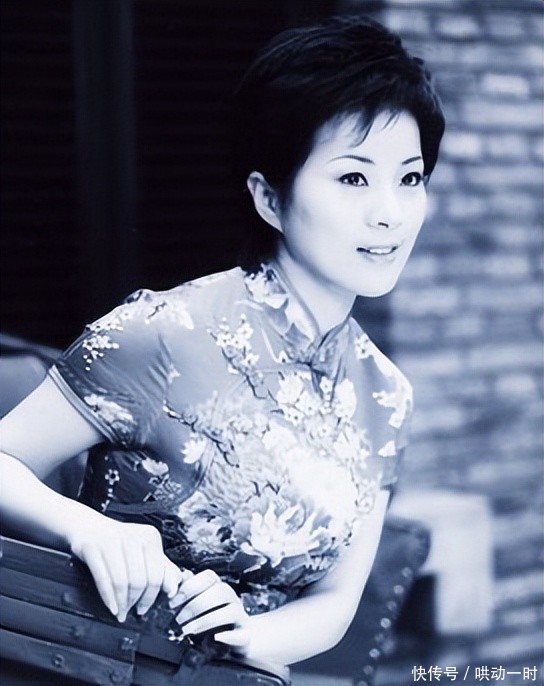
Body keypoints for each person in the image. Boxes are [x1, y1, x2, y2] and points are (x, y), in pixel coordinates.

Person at [0, 14, 444, 674]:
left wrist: (246, 635)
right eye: (354, 178)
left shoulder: (385, 396)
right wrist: (88, 529)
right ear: (269, 198)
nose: (391, 214)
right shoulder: (162, 335)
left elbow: (334, 602)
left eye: (410, 178)